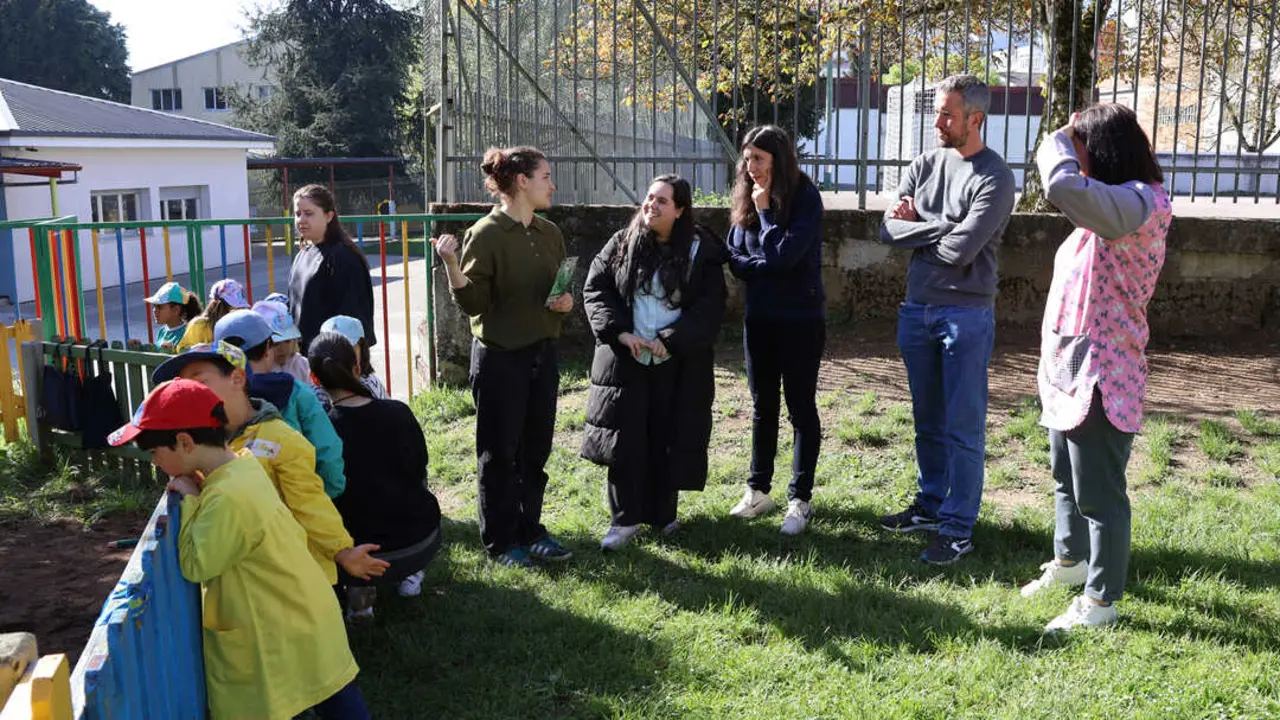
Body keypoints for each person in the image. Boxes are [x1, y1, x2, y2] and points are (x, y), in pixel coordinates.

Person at [108, 379, 372, 719]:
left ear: (184, 442)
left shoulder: (226, 496)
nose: (155, 462)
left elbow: (196, 564)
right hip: (300, 611)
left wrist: (191, 501)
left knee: (323, 700)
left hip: (279, 626)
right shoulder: (243, 465)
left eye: (154, 453)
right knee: (331, 692)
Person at [1019, 104, 1171, 632]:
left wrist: (1056, 140)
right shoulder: (1107, 209)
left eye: (1080, 149)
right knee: (1066, 476)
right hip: (1072, 367)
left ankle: (1101, 600)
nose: (1074, 158)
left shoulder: (1138, 204)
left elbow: (1062, 187)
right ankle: (1070, 561)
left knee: (1100, 496)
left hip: (1105, 371)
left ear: (1101, 151)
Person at [877, 74, 1016, 565]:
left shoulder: (995, 177)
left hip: (966, 315)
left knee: (962, 426)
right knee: (927, 421)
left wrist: (919, 225)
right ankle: (931, 504)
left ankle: (958, 528)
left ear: (975, 119)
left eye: (947, 114)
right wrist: (940, 227)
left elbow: (962, 251)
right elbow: (887, 230)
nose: (937, 122)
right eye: (936, 112)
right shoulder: (925, 164)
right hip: (917, 310)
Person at [432, 145, 574, 568]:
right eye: (546, 176)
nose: (553, 185)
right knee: (499, 455)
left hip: (542, 355)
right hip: (500, 360)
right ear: (522, 182)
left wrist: (566, 301)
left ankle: (531, 530)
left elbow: (558, 289)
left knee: (535, 452)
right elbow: (474, 303)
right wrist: (451, 265)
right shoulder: (486, 233)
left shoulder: (550, 233)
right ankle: (501, 540)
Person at [151, 342, 387, 597]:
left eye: (199, 384)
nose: (191, 394)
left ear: (237, 379)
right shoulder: (207, 443)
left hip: (293, 576)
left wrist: (342, 551)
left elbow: (309, 503)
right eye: (185, 387)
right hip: (249, 571)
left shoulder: (281, 440)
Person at [581, 175, 727, 550]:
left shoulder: (701, 251)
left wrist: (671, 340)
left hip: (675, 362)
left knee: (668, 436)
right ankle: (624, 521)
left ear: (680, 210)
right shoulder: (621, 243)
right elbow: (596, 290)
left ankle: (664, 515)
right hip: (625, 360)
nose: (651, 205)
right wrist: (620, 334)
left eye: (662, 201)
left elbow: (710, 307)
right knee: (625, 440)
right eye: (649, 198)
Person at [724, 125, 827, 536]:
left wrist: (766, 212)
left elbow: (783, 257)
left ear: (778, 160)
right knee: (762, 405)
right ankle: (758, 490)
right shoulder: (746, 196)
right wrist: (764, 264)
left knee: (800, 407)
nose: (751, 167)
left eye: (759, 159)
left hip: (800, 320)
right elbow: (735, 257)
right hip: (760, 318)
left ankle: (800, 499)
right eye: (747, 158)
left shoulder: (805, 197)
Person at [309, 332, 443, 616]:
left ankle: (359, 599)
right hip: (420, 538)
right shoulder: (399, 411)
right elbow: (420, 467)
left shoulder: (322, 434)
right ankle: (410, 575)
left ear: (314, 379)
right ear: (357, 367)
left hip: (357, 553)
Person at [214, 310, 347, 497]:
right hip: (297, 498)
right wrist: (325, 493)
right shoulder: (297, 392)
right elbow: (327, 451)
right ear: (268, 349)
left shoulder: (217, 396)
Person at [288, 184, 376, 352]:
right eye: (298, 214)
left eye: (309, 213)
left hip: (331, 358)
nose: (301, 220)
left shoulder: (344, 258)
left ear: (329, 216)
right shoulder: (302, 255)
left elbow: (352, 317)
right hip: (304, 356)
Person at [320, 315, 390, 399]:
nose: (338, 356)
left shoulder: (369, 387)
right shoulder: (315, 389)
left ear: (362, 348)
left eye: (346, 349)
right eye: (331, 349)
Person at [252, 299, 315, 387]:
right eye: (275, 344)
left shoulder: (302, 365)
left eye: (287, 341)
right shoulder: (259, 370)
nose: (283, 348)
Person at [176, 278, 250, 352]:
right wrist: (203, 348)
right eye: (234, 309)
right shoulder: (199, 325)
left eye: (241, 308)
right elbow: (182, 351)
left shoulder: (240, 326)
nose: (239, 313)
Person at [144, 281, 202, 349]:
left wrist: (172, 351)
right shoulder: (162, 331)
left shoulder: (188, 333)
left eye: (159, 307)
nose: (154, 310)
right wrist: (139, 347)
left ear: (176, 310)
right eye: (154, 306)